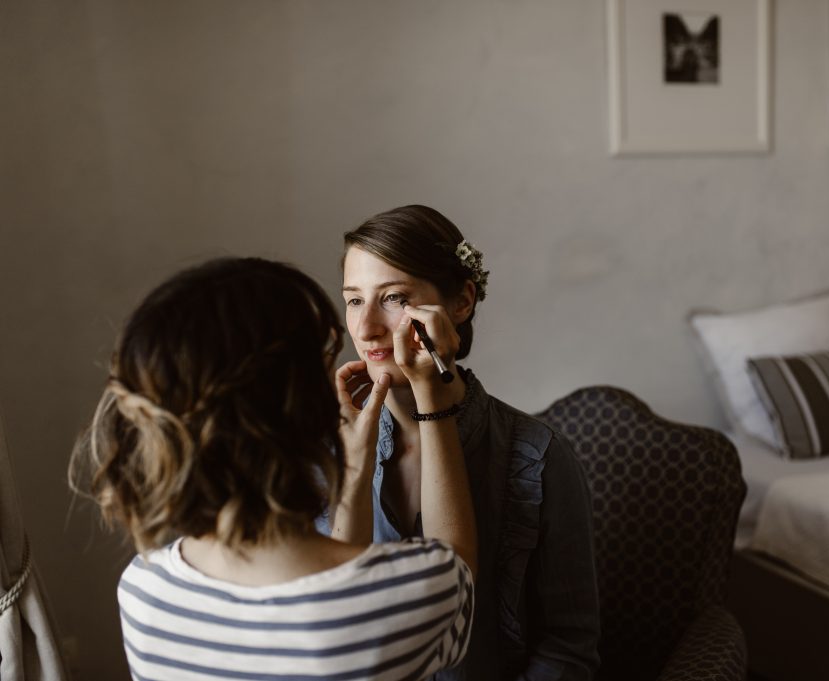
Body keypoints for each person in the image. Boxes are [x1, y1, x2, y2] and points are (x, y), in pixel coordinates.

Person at [69, 257, 476, 681]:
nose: (366, 327)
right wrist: (434, 399)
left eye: (391, 297)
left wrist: (353, 473)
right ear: (306, 406)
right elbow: (459, 568)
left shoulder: (143, 588)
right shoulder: (408, 593)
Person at [337, 205, 600, 680]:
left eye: (393, 297)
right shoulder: (327, 449)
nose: (365, 327)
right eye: (354, 300)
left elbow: (568, 645)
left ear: (461, 303)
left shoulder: (537, 457)